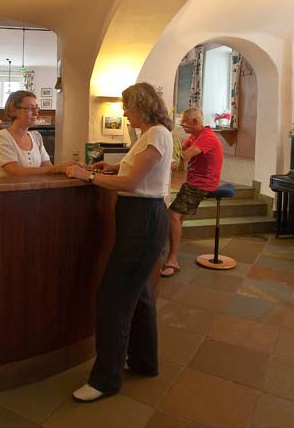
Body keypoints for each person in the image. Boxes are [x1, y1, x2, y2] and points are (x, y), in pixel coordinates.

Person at [65, 82, 173, 402]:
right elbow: (135, 171)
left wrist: (85, 175)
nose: (124, 112)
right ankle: (143, 362)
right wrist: (112, 166)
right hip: (139, 216)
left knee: (113, 297)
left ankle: (106, 380)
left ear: (141, 106)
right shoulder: (153, 134)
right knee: (138, 294)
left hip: (144, 218)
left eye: (127, 106)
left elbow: (131, 182)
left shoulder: (155, 134)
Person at [162, 107, 224, 277]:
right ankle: (170, 249)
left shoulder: (207, 137)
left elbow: (184, 155)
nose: (182, 126)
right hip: (194, 181)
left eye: (184, 123)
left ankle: (172, 259)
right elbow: (179, 154)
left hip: (203, 184)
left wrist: (169, 140)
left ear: (195, 122)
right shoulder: (195, 135)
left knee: (172, 215)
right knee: (177, 216)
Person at [0, 90, 71, 176]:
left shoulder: (36, 136)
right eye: (30, 108)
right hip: (10, 189)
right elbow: (15, 172)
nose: (36, 113)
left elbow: (48, 167)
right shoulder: (0, 137)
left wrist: (71, 168)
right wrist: (57, 168)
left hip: (37, 189)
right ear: (13, 111)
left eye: (36, 108)